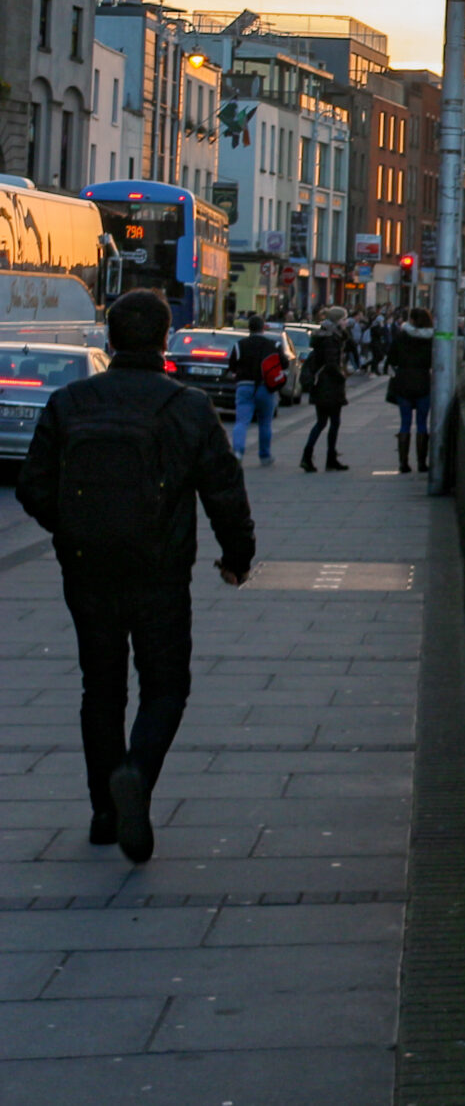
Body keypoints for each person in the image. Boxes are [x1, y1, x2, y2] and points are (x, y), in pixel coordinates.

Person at [17, 289, 254, 863]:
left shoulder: (71, 401)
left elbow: (32, 488)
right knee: (166, 685)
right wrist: (236, 556)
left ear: (111, 338)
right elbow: (223, 489)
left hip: (87, 569)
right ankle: (137, 775)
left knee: (100, 689)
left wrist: (73, 528)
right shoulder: (188, 407)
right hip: (160, 571)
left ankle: (104, 810)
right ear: (165, 340)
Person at [226, 316, 285, 465]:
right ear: (263, 327)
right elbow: (283, 363)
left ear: (249, 328)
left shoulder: (240, 345)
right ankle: (264, 456)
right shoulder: (273, 344)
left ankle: (238, 452)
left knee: (241, 421)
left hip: (244, 386)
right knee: (265, 423)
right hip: (266, 387)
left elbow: (232, 365)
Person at [299, 307, 351, 473]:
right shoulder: (331, 339)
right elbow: (331, 364)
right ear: (337, 321)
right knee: (332, 423)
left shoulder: (325, 336)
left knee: (322, 422)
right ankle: (327, 458)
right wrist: (342, 375)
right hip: (329, 386)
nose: (346, 322)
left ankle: (311, 456)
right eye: (344, 319)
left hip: (322, 385)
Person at [386, 305, 435, 473]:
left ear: (411, 320)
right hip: (423, 382)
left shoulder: (401, 336)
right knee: (422, 424)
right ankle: (422, 463)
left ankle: (403, 463)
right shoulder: (430, 339)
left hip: (403, 382)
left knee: (405, 423)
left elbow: (391, 358)